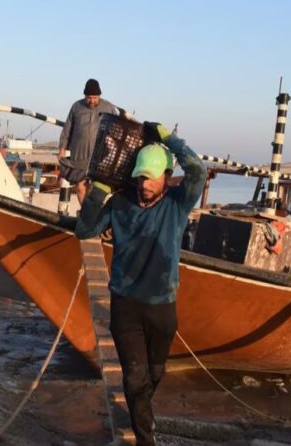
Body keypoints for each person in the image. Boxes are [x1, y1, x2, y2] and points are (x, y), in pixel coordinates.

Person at [75, 123, 206, 445]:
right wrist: (99, 191)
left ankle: (142, 412)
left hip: (163, 307)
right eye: (140, 176)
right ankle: (146, 439)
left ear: (167, 176)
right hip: (126, 306)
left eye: (150, 177)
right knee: (135, 379)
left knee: (154, 375)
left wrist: (168, 138)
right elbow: (85, 229)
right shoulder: (121, 203)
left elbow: (198, 171)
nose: (144, 183)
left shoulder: (177, 203)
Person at [58, 79, 118, 203]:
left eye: (95, 98)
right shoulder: (76, 107)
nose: (92, 100)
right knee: (80, 187)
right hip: (79, 155)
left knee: (93, 188)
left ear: (99, 95)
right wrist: (62, 149)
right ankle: (85, 212)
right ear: (85, 96)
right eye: (89, 98)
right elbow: (67, 129)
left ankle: (90, 212)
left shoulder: (109, 107)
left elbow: (117, 130)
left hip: (100, 156)